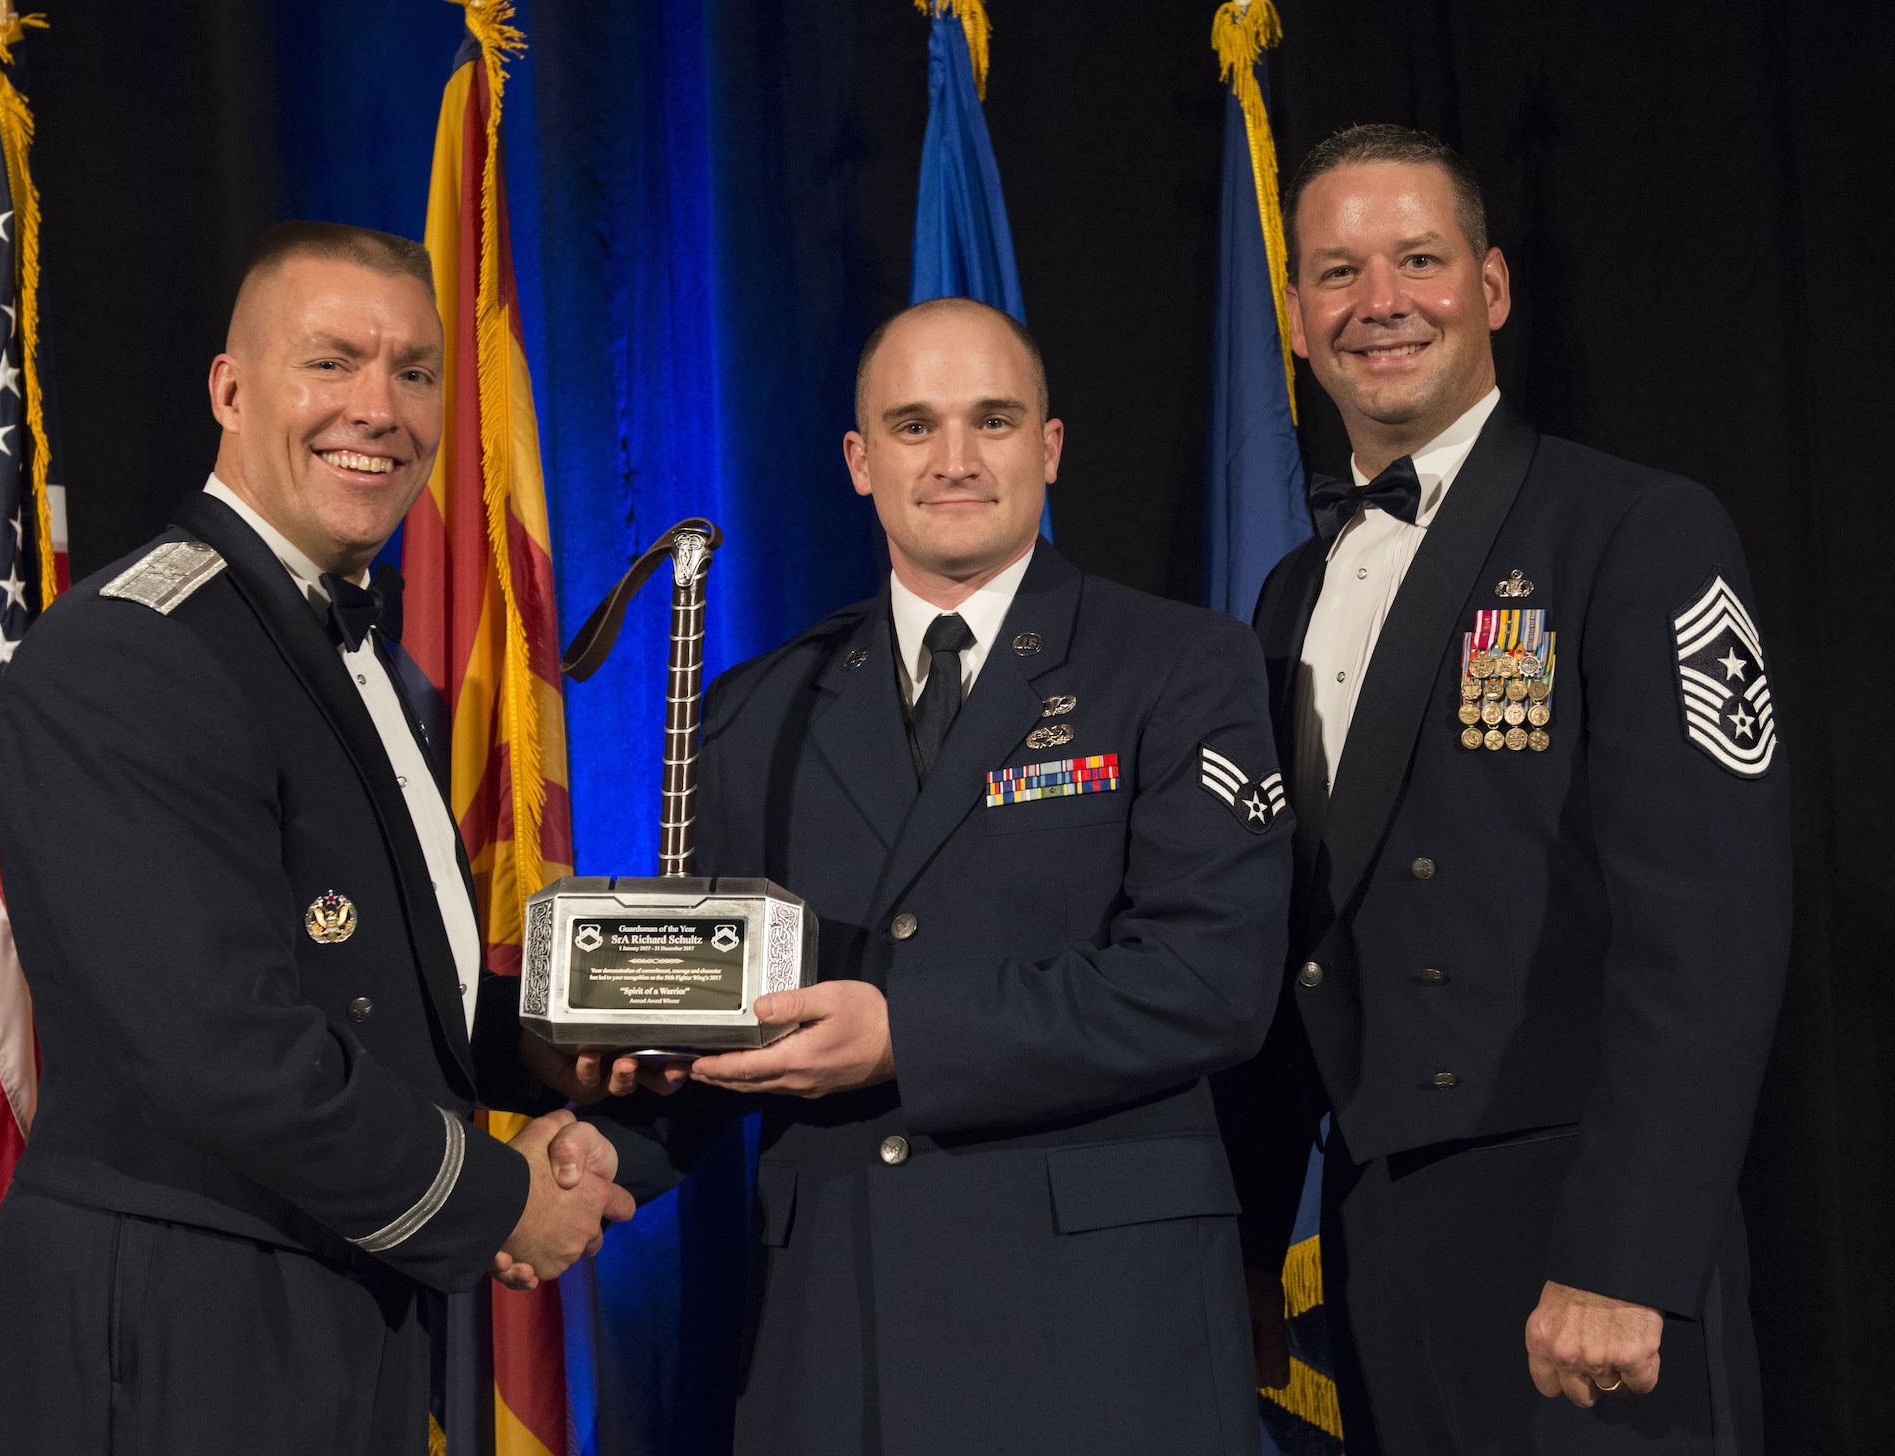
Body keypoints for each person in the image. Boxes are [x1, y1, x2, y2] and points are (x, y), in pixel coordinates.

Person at [0, 222, 635, 1455]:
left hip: (328, 1284)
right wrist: (501, 1201)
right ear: (230, 389)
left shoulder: (372, 662)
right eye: (331, 362)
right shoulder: (135, 648)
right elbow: (221, 1043)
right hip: (177, 1313)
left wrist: (545, 1049)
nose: (377, 409)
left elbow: (365, 975)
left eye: (415, 371)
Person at [587, 296, 1295, 1454]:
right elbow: (719, 1013)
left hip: (1100, 1336)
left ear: (1050, 448)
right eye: (913, 427)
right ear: (861, 462)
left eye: (994, 421)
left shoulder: (1177, 665)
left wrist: (904, 1033)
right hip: (840, 1334)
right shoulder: (755, 709)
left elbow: (1208, 977)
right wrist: (595, 1150)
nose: (954, 460)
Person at [1222, 126, 1791, 1454]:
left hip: (1582, 1229)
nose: (1381, 302)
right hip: (1379, 1237)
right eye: (1339, 271)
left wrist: (1629, 1252)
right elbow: (1286, 943)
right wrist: (1258, 1239)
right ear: (1297, 317)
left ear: (1490, 289)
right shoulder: (1287, 595)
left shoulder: (1635, 532)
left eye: (1418, 259)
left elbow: (1711, 925)